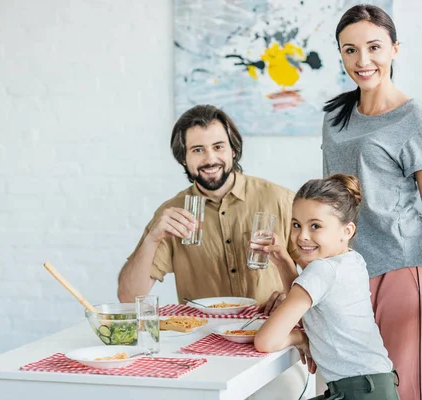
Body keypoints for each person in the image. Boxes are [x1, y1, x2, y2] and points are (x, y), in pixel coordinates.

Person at [320, 5, 422, 399]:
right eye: (350, 50)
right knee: (352, 388)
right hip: (350, 273)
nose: (363, 61)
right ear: (341, 54)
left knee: (400, 390)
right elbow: (329, 204)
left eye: (374, 47)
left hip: (404, 268)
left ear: (395, 49)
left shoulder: (414, 117)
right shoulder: (334, 118)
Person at [117, 104, 305, 400]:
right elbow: (129, 298)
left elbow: (324, 274)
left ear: (233, 150)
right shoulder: (172, 213)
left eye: (218, 146)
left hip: (272, 347)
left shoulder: (280, 200)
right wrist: (153, 238)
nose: (210, 158)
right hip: (201, 349)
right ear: (183, 157)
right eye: (197, 150)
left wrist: (294, 294)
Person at [254, 174, 400, 400]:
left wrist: (298, 338)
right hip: (377, 387)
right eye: (296, 225)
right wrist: (284, 262)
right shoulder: (352, 260)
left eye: (315, 226)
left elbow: (266, 341)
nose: (302, 236)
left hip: (358, 394)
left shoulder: (322, 271)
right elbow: (311, 314)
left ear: (347, 231)